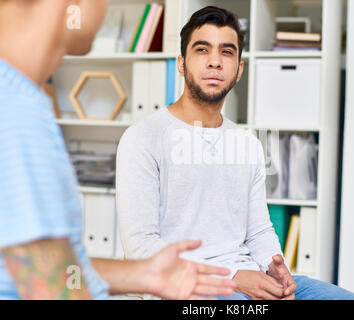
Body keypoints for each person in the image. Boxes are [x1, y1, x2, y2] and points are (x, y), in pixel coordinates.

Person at [116, 6, 354, 300]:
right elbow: (140, 247)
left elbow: (258, 230)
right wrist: (234, 279)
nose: (215, 62)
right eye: (202, 50)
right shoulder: (143, 138)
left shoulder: (247, 144)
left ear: (239, 69)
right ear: (182, 64)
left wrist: (276, 268)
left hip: (247, 277)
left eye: (227, 52)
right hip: (185, 287)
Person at [0, 0, 236, 300]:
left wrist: (143, 274)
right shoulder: (18, 114)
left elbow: (40, 268)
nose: (105, 8)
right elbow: (52, 291)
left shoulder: (16, 98)